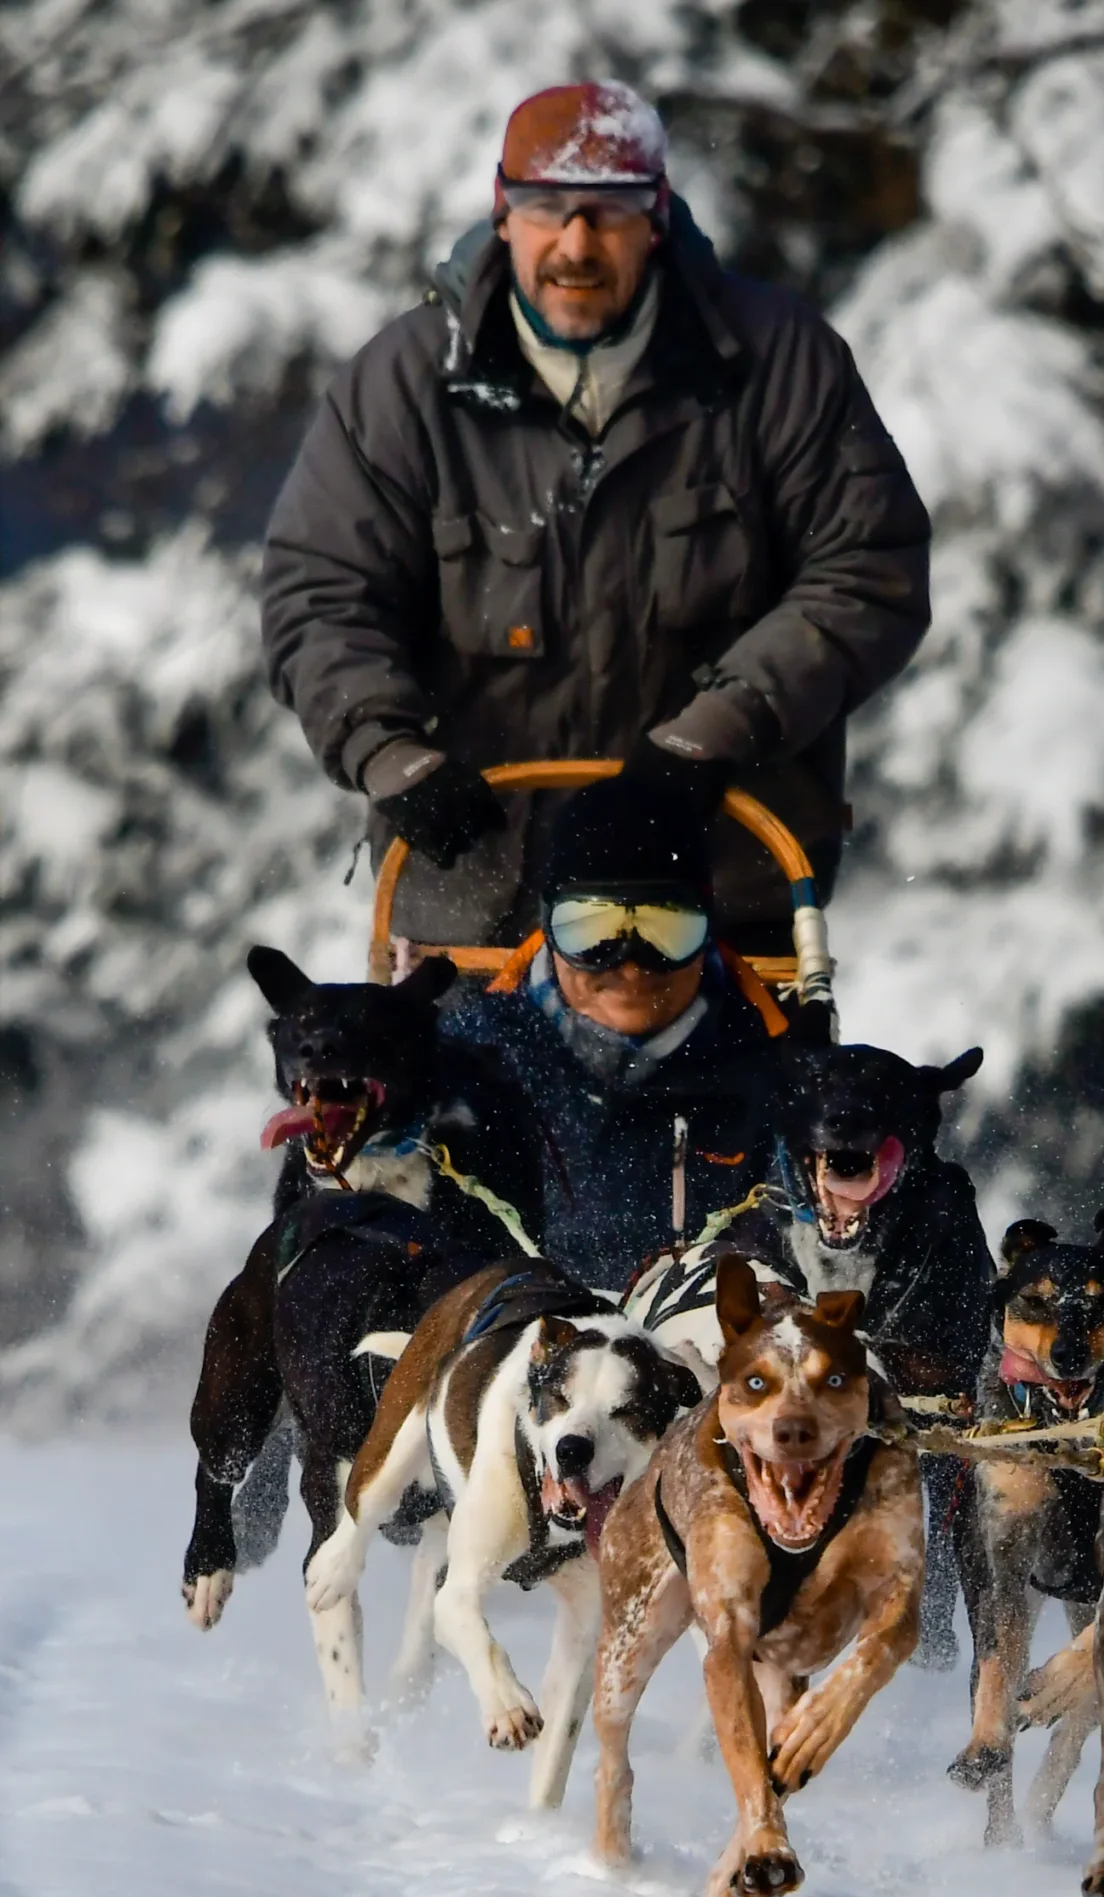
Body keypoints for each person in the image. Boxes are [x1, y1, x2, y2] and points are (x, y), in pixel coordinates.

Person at [261, 79, 931, 952]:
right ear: (503, 216)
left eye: (607, 215)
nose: (576, 244)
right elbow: (319, 598)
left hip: (717, 901)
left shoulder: (779, 364)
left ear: (655, 219)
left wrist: (707, 742)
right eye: (547, 210)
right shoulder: (398, 388)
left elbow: (866, 570)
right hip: (478, 917)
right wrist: (392, 756)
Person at [441, 766, 791, 1290]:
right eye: (592, 932)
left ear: (708, 926)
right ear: (547, 926)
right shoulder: (463, 1064)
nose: (630, 966)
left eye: (665, 931)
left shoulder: (776, 1075)